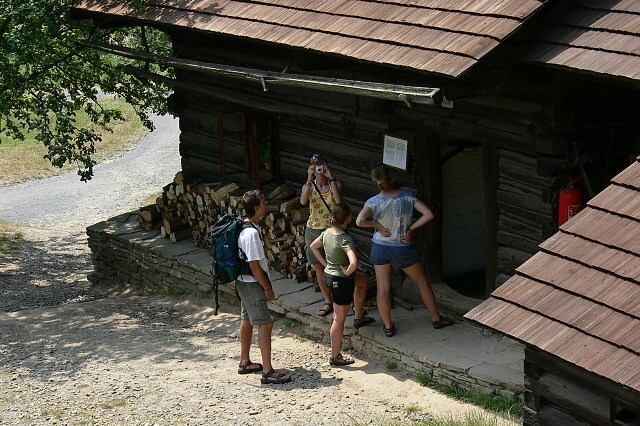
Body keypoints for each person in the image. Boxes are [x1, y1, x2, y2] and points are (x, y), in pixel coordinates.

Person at [355, 164, 453, 337]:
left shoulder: (373, 202)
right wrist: (411, 229)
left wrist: (376, 225)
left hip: (380, 247)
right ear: (390, 177)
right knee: (423, 282)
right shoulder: (407, 196)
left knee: (383, 288)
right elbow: (428, 214)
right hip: (401, 246)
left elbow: (359, 222)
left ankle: (388, 326)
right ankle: (436, 319)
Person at [236, 189, 292, 384]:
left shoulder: (245, 227)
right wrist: (267, 288)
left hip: (243, 281)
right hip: (252, 283)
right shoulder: (251, 233)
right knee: (265, 323)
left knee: (247, 318)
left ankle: (244, 362)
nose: (266, 203)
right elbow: (254, 265)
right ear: (255, 207)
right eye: (263, 201)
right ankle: (267, 372)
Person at [310, 203, 371, 366]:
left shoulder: (327, 233)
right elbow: (354, 262)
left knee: (362, 280)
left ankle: (358, 316)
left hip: (329, 276)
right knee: (338, 319)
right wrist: (347, 272)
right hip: (341, 280)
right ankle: (335, 356)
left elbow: (313, 247)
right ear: (348, 218)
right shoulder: (345, 239)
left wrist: (325, 264)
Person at [299, 153, 342, 317]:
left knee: (336, 265)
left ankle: (339, 298)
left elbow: (338, 201)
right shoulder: (309, 186)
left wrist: (331, 177)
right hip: (313, 230)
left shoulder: (335, 183)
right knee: (319, 268)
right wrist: (308, 179)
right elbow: (303, 201)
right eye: (315, 167)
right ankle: (327, 301)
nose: (319, 170)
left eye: (321, 166)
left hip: (331, 230)